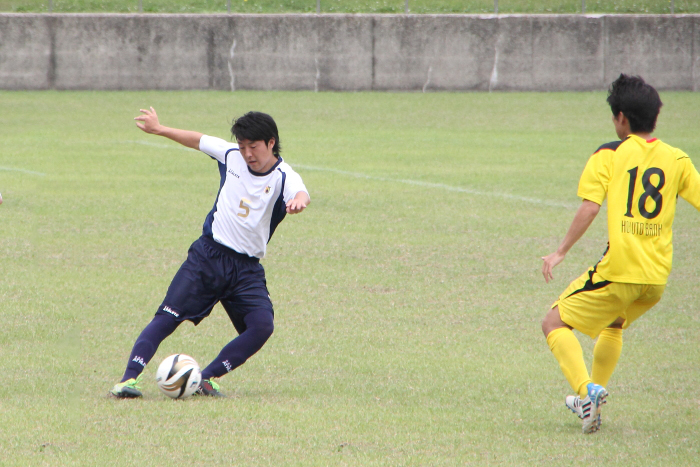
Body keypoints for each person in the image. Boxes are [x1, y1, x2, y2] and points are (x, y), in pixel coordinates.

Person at [110, 107, 310, 398]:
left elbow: (300, 192)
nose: (247, 153)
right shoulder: (230, 155)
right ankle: (127, 380)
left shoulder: (283, 176)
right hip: (208, 257)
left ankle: (206, 377)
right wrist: (160, 128)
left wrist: (299, 202)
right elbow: (197, 139)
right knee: (167, 317)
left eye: (253, 147)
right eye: (242, 147)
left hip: (246, 269)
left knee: (262, 326)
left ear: (270, 142)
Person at [540, 74, 700, 434]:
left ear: (622, 118)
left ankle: (586, 394)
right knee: (614, 322)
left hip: (621, 270)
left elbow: (590, 207)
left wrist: (560, 251)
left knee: (553, 322)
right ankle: (592, 408)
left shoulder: (609, 153)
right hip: (656, 279)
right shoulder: (677, 158)